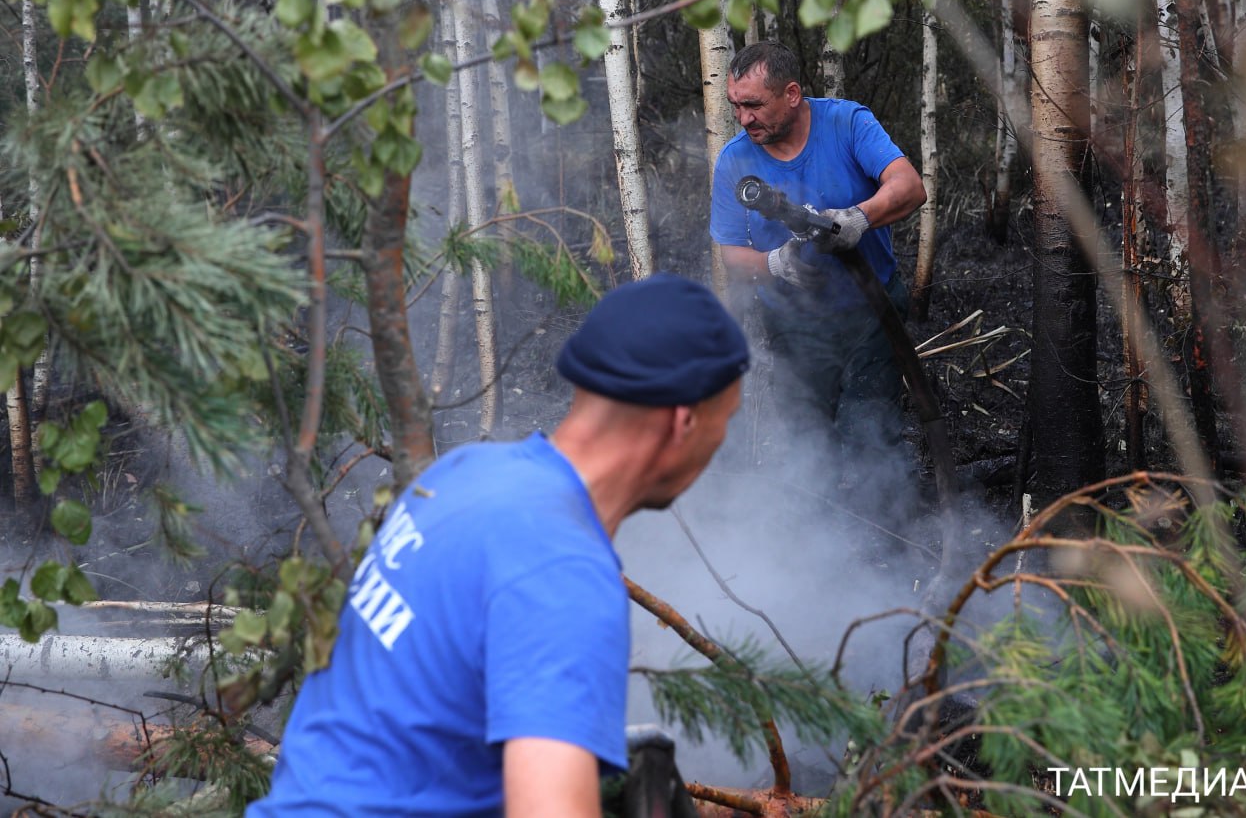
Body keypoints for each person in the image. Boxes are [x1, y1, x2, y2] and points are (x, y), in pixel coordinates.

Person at [247, 273, 748, 817]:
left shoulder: (465, 472)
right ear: (684, 420)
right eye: (726, 420)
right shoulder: (561, 573)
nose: (720, 442)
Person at [709, 41, 926, 486]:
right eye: (736, 105)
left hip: (872, 313)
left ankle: (882, 543)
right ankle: (818, 546)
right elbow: (732, 253)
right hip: (794, 326)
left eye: (753, 105)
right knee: (807, 448)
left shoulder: (847, 123)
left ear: (791, 94)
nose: (743, 118)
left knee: (869, 434)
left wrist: (858, 218)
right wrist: (774, 263)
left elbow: (909, 186)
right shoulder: (734, 160)